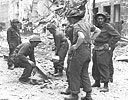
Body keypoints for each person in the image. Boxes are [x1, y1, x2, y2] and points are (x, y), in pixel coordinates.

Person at [63, 8, 101, 100]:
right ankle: (88, 95)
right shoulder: (87, 24)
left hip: (79, 51)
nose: (68, 20)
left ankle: (74, 94)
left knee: (74, 72)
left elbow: (81, 37)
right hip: (87, 50)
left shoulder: (76, 26)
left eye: (69, 18)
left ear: (73, 18)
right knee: (84, 73)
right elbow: (98, 31)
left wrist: (75, 46)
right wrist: (91, 39)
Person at [92, 12, 121, 92]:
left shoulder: (107, 26)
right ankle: (97, 82)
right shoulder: (96, 27)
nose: (100, 20)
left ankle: (105, 85)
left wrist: (109, 44)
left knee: (103, 66)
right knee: (95, 66)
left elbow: (117, 36)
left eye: (101, 18)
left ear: (104, 19)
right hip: (96, 48)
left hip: (103, 50)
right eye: (98, 19)